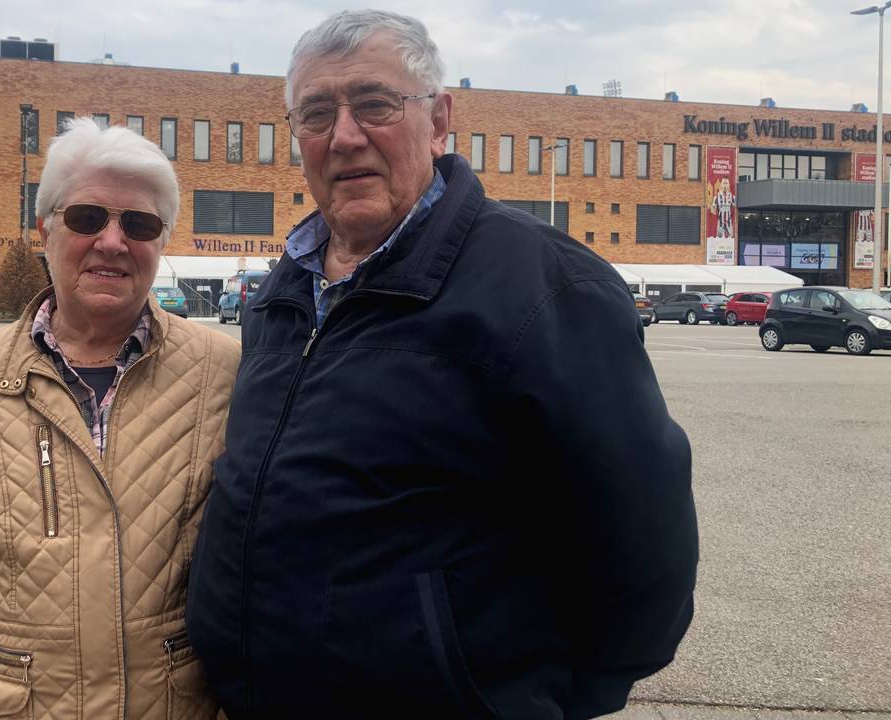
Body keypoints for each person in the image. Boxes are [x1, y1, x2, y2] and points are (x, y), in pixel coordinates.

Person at [186, 10, 699, 719]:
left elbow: (643, 547)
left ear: (439, 121)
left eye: (374, 104)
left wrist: (545, 697)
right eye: (316, 114)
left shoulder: (545, 287)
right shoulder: (283, 287)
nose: (344, 136)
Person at [0, 117, 240, 719]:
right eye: (87, 218)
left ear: (163, 240)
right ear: (45, 230)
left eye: (138, 224)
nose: (112, 241)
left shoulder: (225, 372)